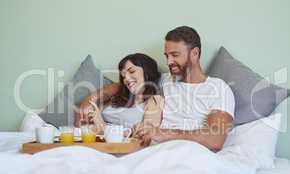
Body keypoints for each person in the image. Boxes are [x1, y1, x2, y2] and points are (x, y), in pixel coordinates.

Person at [77, 26, 235, 151]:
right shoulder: (165, 80)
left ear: (194, 53)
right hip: (156, 152)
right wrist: (90, 100)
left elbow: (215, 139)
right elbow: (124, 84)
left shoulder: (217, 88)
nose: (169, 61)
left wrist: (159, 133)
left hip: (190, 152)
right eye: (167, 56)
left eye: (175, 55)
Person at [77, 53, 164, 145]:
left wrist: (103, 127)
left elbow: (146, 136)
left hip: (117, 148)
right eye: (123, 76)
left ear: (147, 71)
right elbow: (88, 121)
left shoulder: (155, 100)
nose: (126, 78)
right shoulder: (118, 99)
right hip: (90, 140)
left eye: (132, 71)